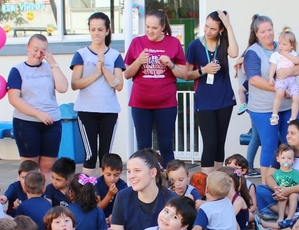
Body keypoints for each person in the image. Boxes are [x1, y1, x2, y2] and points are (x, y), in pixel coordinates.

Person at [243, 15, 299, 177]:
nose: (267, 34)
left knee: (290, 146)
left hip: (288, 107)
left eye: (270, 30)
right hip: (264, 109)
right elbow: (254, 79)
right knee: (270, 145)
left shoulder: (283, 45)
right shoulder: (253, 52)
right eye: (263, 31)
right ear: (256, 33)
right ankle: (267, 182)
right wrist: (280, 89)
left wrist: (289, 71)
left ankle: (289, 180)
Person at [125, 10, 186, 164]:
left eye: (154, 28)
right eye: (147, 27)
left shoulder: (173, 43)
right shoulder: (137, 43)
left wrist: (171, 64)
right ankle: (145, 176)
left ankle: (169, 176)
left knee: (166, 144)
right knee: (143, 146)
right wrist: (138, 61)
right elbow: (126, 74)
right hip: (140, 103)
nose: (150, 31)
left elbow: (184, 73)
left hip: (166, 104)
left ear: (163, 27)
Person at [183, 11, 239, 172]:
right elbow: (186, 74)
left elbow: (234, 53)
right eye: (206, 26)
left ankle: (217, 179)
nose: (208, 31)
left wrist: (228, 26)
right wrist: (203, 70)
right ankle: (206, 180)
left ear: (220, 30)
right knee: (210, 143)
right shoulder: (195, 45)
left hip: (224, 98)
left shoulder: (224, 42)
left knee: (220, 142)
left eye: (213, 29)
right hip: (204, 100)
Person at [70, 12, 125, 175]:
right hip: (86, 110)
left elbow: (119, 85)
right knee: (90, 155)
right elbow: (75, 84)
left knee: (105, 155)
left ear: (107, 30)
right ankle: (88, 188)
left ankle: (105, 187)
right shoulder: (81, 54)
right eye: (93, 29)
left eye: (100, 29)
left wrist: (104, 69)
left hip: (109, 110)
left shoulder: (114, 55)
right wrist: (96, 74)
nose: (96, 33)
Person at [8, 34, 69, 175]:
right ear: (28, 47)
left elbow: (63, 88)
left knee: (48, 166)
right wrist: (38, 114)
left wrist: (53, 63)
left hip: (52, 122)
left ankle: (46, 190)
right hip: (27, 122)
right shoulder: (18, 70)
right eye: (35, 49)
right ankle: (27, 190)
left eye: (42, 51)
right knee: (29, 167)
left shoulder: (49, 68)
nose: (38, 54)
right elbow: (14, 99)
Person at [256, 119, 299, 217]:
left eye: (293, 133)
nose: (288, 136)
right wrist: (277, 190)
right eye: (288, 133)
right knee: (259, 190)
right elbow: (269, 176)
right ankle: (295, 214)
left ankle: (280, 213)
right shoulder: (282, 152)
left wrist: (288, 191)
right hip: (280, 193)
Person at [110, 149, 170, 230]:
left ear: (153, 172)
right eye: (129, 171)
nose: (131, 176)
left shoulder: (171, 200)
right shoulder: (122, 197)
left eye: (137, 170)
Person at [268, 28, 299, 121]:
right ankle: (274, 114)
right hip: (281, 79)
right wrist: (271, 76)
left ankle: (293, 118)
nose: (281, 46)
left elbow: (297, 61)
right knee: (279, 93)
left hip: (292, 80)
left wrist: (286, 54)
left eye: (284, 44)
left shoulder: (293, 54)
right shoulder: (276, 55)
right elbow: (273, 66)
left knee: (297, 97)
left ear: (292, 46)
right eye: (280, 44)